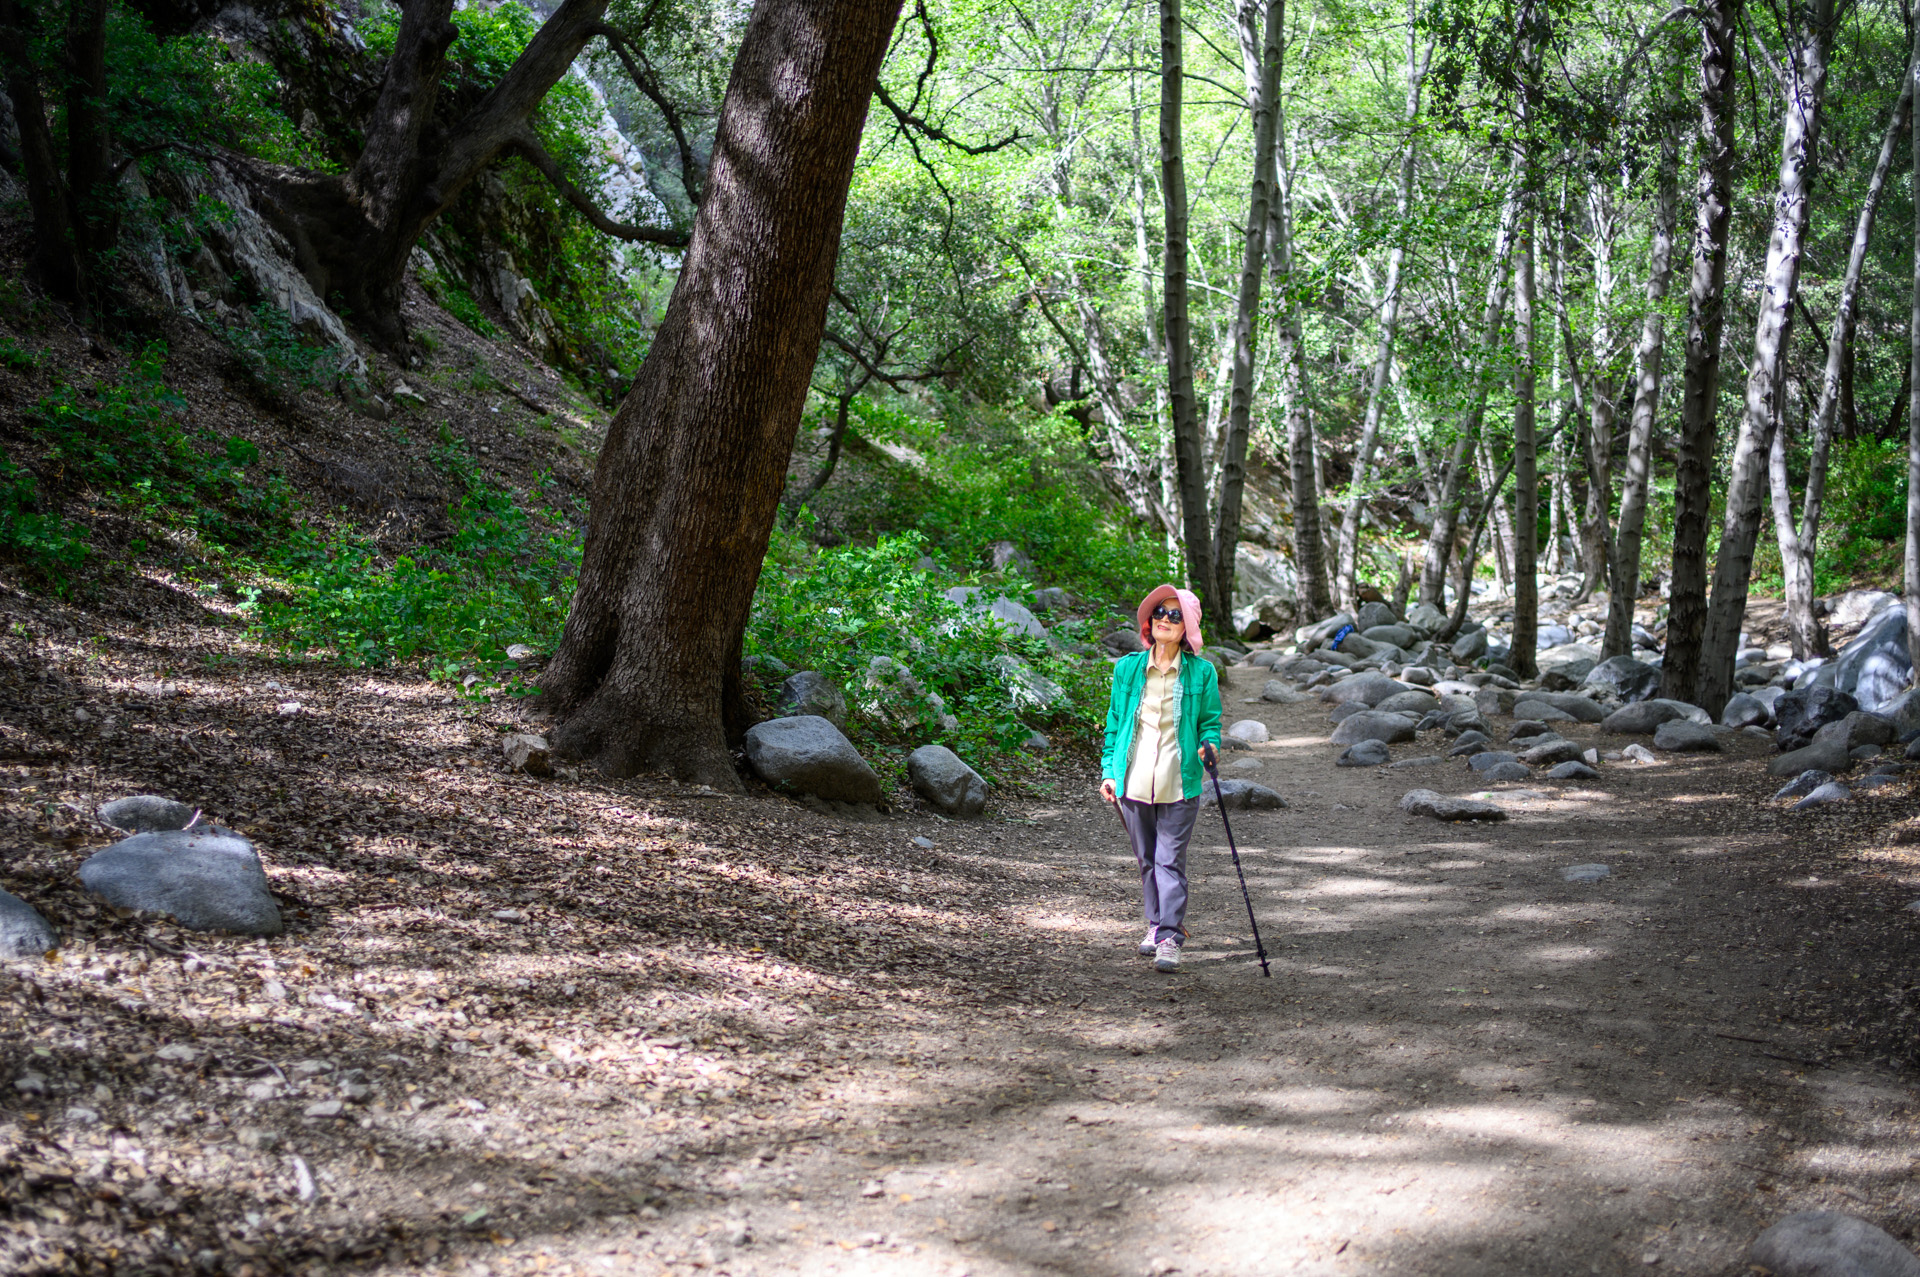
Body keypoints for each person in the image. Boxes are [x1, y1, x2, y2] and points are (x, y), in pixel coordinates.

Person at [1099, 584, 1221, 973]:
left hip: (1179, 781)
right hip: (1133, 780)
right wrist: (1109, 772)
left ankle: (1170, 937)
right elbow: (1114, 724)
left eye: (1175, 615)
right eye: (1159, 613)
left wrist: (1209, 746)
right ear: (1150, 621)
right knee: (1147, 860)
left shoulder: (1202, 673)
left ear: (1188, 627)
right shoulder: (1127, 669)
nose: (1165, 620)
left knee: (1169, 860)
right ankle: (1155, 925)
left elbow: (1210, 723)